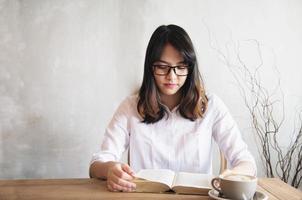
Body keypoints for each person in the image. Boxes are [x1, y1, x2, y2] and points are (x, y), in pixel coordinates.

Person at [89, 24, 257, 192]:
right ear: (150, 68)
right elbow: (97, 164)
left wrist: (232, 174)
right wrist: (111, 169)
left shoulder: (212, 106)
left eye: (181, 67)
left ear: (190, 69)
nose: (172, 76)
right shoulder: (131, 107)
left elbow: (246, 162)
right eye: (162, 67)